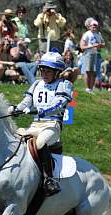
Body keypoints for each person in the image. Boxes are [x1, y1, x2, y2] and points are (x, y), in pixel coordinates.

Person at [12, 52, 73, 196]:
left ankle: (49, 180)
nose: (45, 74)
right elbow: (26, 102)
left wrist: (40, 110)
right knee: (15, 137)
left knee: (40, 143)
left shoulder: (64, 84)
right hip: (35, 125)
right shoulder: (36, 84)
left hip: (52, 126)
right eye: (43, 70)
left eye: (49, 71)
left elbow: (59, 104)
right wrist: (15, 108)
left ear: (57, 72)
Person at [79, 19, 104, 94]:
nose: (94, 27)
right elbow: (82, 47)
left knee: (94, 72)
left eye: (96, 26)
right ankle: (87, 88)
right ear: (90, 26)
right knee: (88, 71)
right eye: (93, 26)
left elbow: (103, 43)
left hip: (96, 54)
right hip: (88, 54)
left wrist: (100, 45)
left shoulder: (98, 34)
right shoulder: (87, 34)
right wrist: (91, 46)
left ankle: (91, 89)